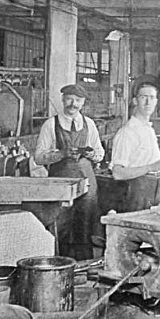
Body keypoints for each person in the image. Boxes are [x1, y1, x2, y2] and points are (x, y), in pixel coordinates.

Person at [33, 83, 104, 260]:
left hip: (87, 186)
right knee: (61, 227)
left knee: (85, 228)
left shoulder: (89, 124)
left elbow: (100, 154)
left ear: (83, 103)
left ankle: (85, 266)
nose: (73, 104)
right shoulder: (51, 124)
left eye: (78, 100)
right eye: (70, 99)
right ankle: (61, 264)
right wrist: (61, 154)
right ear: (63, 100)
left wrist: (90, 154)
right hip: (60, 187)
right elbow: (39, 157)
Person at [110, 81, 160, 212]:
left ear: (156, 101)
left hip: (152, 189)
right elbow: (117, 173)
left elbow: (153, 159)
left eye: (152, 97)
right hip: (135, 193)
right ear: (135, 101)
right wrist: (150, 167)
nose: (148, 102)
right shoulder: (127, 132)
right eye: (143, 97)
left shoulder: (149, 130)